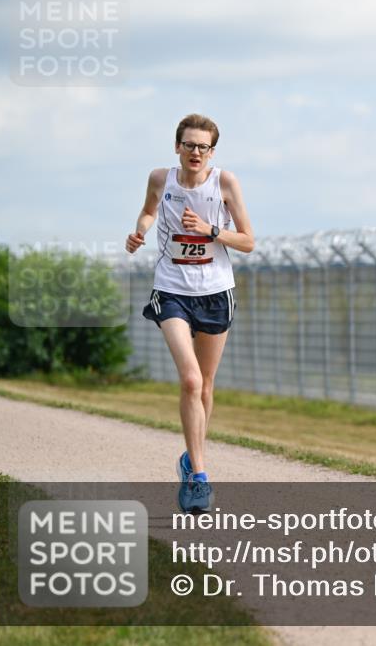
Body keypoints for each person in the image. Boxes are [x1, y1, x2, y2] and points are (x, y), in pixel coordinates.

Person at [125, 113, 255, 512]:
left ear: (211, 151)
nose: (195, 152)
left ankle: (189, 457)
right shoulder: (160, 179)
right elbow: (148, 210)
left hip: (216, 290)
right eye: (189, 145)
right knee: (190, 378)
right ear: (177, 146)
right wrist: (141, 229)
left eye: (203, 146)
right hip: (172, 288)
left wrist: (210, 230)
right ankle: (199, 476)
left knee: (206, 384)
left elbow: (248, 241)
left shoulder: (225, 183)